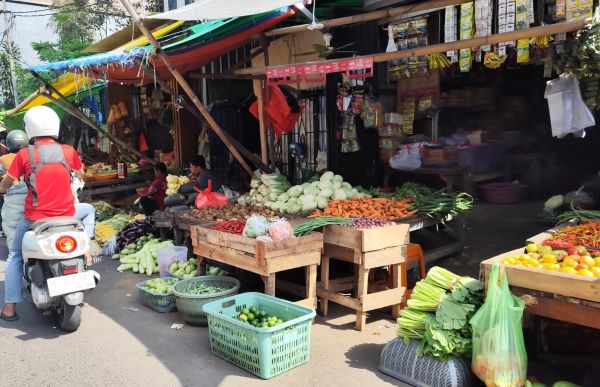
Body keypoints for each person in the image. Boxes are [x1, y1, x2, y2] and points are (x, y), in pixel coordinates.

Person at [0, 106, 84, 322]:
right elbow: (81, 173)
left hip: (35, 218)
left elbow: (7, 183)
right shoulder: (68, 151)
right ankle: (88, 254)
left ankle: (9, 309)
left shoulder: (23, 154)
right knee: (89, 213)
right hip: (68, 216)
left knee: (15, 255)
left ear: (30, 129)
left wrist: (3, 187)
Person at [0, 130, 30, 242]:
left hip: (13, 195)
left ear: (9, 143)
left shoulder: (3, 159)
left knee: (11, 228)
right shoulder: (33, 155)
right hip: (34, 193)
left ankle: (14, 254)